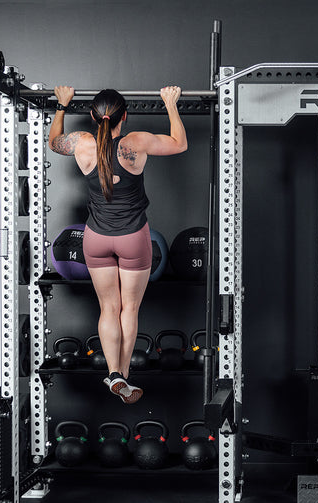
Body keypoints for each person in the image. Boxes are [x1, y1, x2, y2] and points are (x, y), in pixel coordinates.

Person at [48, 85, 187, 403]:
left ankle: (114, 375)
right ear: (125, 115)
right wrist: (169, 104)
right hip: (133, 238)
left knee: (108, 308)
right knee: (130, 308)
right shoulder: (134, 142)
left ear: (94, 117)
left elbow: (54, 141)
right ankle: (121, 375)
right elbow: (179, 143)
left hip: (95, 238)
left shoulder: (83, 143)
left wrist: (61, 105)